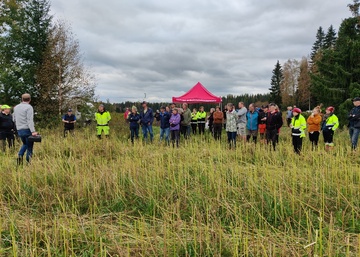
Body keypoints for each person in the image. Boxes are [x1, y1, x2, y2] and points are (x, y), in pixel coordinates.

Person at [13, 93, 38, 164]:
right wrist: (33, 131)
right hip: (27, 129)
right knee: (29, 147)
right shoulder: (29, 107)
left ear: (22, 99)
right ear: (30, 99)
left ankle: (20, 156)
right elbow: (29, 120)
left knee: (25, 144)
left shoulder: (16, 107)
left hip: (19, 129)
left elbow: (14, 118)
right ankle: (28, 163)